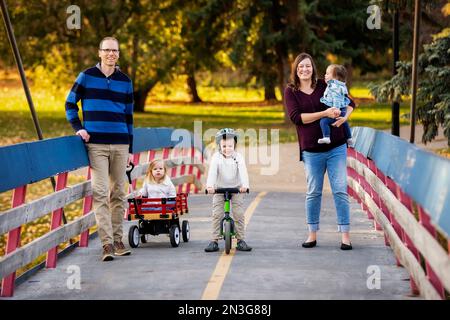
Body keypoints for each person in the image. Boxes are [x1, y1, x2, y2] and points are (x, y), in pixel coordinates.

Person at [65, 36, 134, 261]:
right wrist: (78, 128)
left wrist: (131, 149)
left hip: (121, 144)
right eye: (107, 50)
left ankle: (118, 240)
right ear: (99, 52)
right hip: (96, 145)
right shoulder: (86, 76)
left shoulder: (125, 80)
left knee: (119, 194)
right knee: (101, 192)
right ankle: (106, 245)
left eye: (115, 51)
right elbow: (69, 103)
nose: (111, 54)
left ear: (118, 54)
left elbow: (129, 117)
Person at [284, 53, 355, 250]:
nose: (304, 70)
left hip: (336, 146)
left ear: (313, 68)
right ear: (296, 70)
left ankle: (345, 236)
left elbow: (350, 102)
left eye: (308, 66)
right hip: (311, 150)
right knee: (314, 192)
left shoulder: (325, 85)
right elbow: (297, 118)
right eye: (301, 67)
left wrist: (343, 118)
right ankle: (312, 234)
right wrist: (324, 113)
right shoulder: (291, 92)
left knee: (340, 189)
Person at [204, 128, 252, 252]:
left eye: (230, 145)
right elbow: (212, 172)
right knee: (217, 214)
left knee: (238, 213)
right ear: (219, 145)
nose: (227, 148)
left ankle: (240, 240)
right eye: (224, 146)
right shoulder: (216, 157)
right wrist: (210, 186)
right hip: (219, 189)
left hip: (236, 189)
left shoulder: (238, 157)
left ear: (234, 144)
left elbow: (243, 172)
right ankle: (214, 240)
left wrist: (244, 186)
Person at [318, 64, 354, 147]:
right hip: (342, 109)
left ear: (335, 77)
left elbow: (336, 98)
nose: (325, 75)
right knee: (344, 122)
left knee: (324, 121)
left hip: (337, 109)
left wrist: (336, 109)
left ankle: (326, 137)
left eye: (327, 74)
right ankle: (349, 138)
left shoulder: (334, 87)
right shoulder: (338, 85)